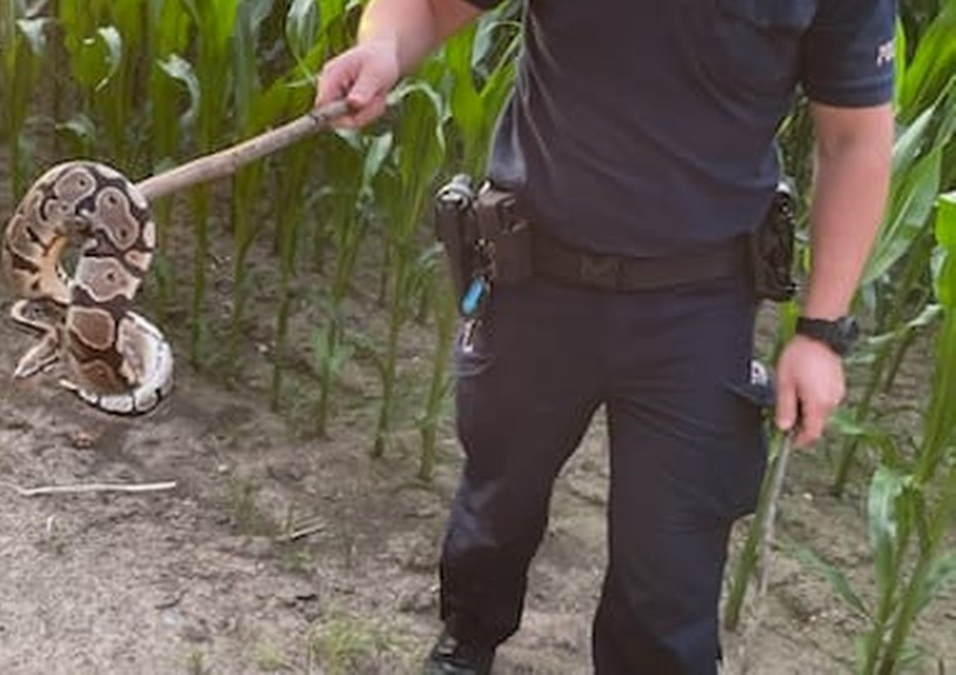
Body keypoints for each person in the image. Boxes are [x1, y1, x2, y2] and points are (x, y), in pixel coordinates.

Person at [315, 0, 894, 673]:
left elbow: (854, 139)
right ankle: (467, 640)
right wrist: (384, 46)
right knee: (498, 499)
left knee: (670, 569)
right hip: (536, 277)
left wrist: (821, 332)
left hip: (697, 310)